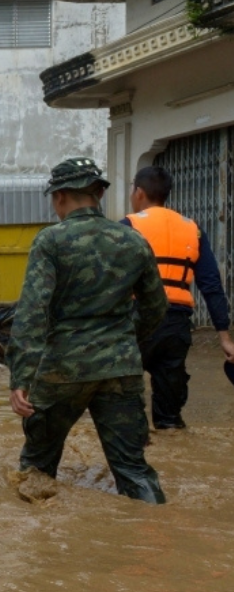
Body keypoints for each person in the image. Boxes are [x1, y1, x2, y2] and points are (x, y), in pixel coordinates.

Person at [7, 157, 168, 504]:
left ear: (61, 195)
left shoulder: (50, 241)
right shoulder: (133, 242)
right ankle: (158, 539)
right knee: (134, 470)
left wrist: (20, 377)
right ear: (97, 193)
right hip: (121, 369)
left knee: (36, 467)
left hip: (62, 369)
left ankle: (32, 550)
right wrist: (125, 343)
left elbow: (32, 314)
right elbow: (157, 307)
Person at [121, 165, 234, 430]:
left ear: (138, 192)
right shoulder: (192, 230)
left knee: (124, 399)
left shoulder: (128, 226)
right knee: (170, 418)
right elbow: (211, 286)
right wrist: (225, 338)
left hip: (136, 320)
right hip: (176, 326)